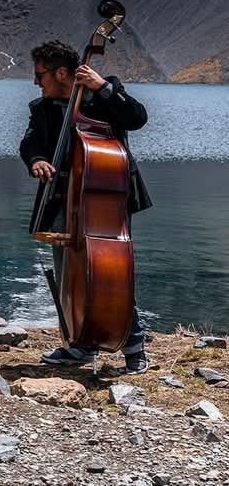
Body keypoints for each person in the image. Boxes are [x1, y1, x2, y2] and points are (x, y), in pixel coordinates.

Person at [20, 39, 152, 374]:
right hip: (65, 200)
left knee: (111, 274)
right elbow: (30, 141)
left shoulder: (103, 95)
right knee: (68, 275)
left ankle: (135, 348)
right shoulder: (43, 107)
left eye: (41, 75)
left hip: (106, 199)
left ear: (62, 72)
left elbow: (138, 118)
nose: (37, 82)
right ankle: (79, 345)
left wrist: (104, 87)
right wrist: (36, 159)